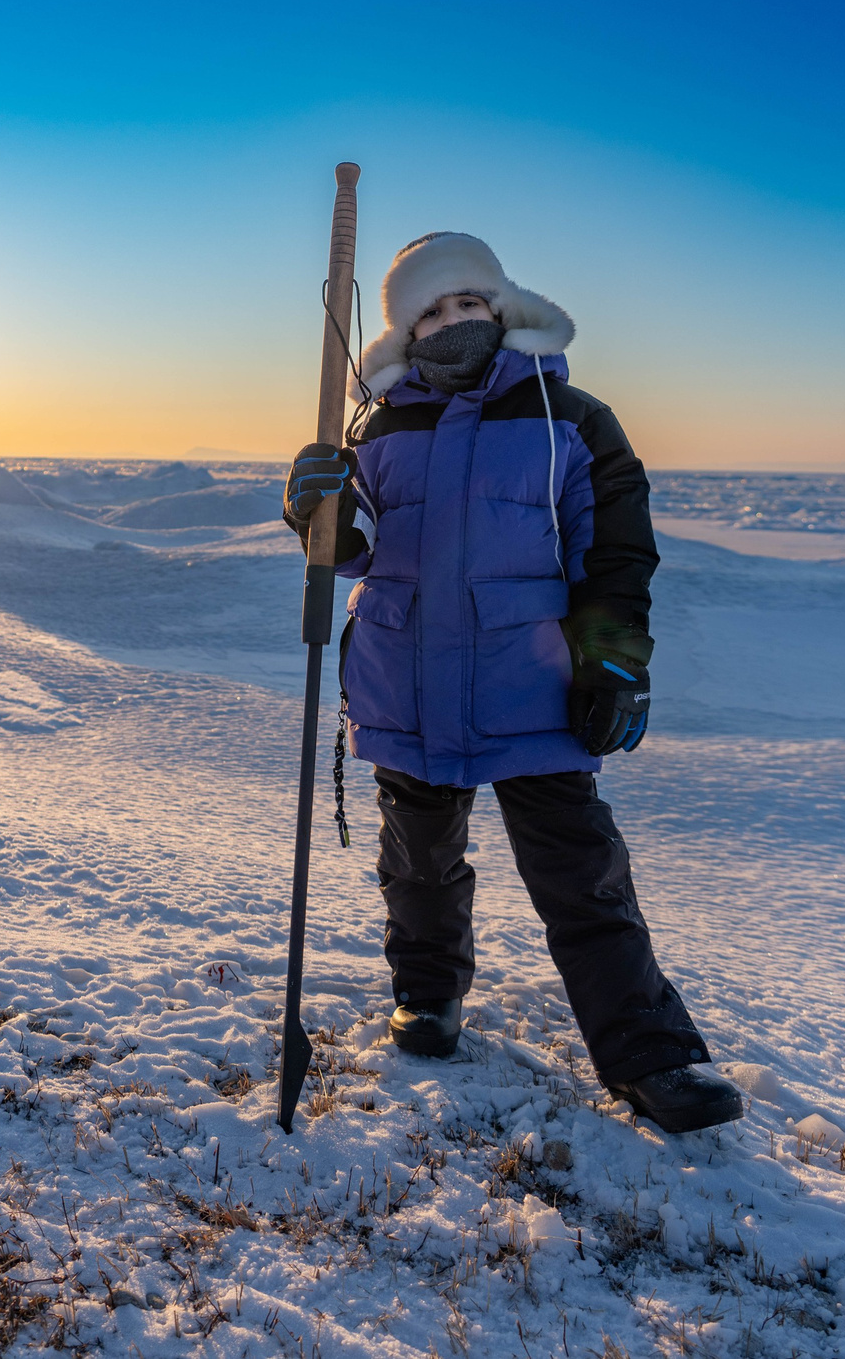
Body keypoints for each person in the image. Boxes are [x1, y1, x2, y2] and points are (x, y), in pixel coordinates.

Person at [284, 231, 745, 1134]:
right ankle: (427, 995)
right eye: (432, 309)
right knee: (416, 860)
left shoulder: (568, 415)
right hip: (404, 675)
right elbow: (353, 550)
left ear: (501, 309)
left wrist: (614, 659)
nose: (454, 320)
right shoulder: (379, 423)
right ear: (404, 330)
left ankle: (653, 1054)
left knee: (582, 873)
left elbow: (615, 547)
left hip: (530, 683)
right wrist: (312, 506)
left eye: (469, 303)